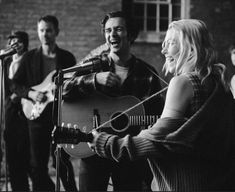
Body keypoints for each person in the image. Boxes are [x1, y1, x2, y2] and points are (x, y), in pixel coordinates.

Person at [80, 19, 235, 191]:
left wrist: (105, 143)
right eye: (164, 43)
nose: (163, 49)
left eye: (170, 43)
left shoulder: (182, 82)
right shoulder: (217, 82)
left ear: (189, 47)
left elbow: (158, 141)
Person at [62, 11, 164, 191]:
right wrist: (94, 80)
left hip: (128, 153)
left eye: (118, 29)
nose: (112, 35)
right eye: (108, 30)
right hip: (93, 149)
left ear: (131, 34)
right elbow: (63, 90)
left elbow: (159, 116)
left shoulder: (147, 73)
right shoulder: (93, 65)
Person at [11, 15, 78, 191]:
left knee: (62, 162)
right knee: (37, 165)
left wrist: (65, 91)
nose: (45, 34)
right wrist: (31, 93)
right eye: (41, 30)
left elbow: (75, 87)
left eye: (48, 30)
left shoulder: (67, 59)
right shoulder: (29, 57)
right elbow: (14, 84)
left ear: (56, 32)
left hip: (60, 116)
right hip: (36, 116)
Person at [3, 31, 31, 191]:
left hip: (26, 110)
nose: (15, 43)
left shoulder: (30, 59)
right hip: (10, 113)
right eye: (12, 40)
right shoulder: (6, 61)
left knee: (26, 156)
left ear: (24, 43)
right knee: (12, 157)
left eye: (19, 41)